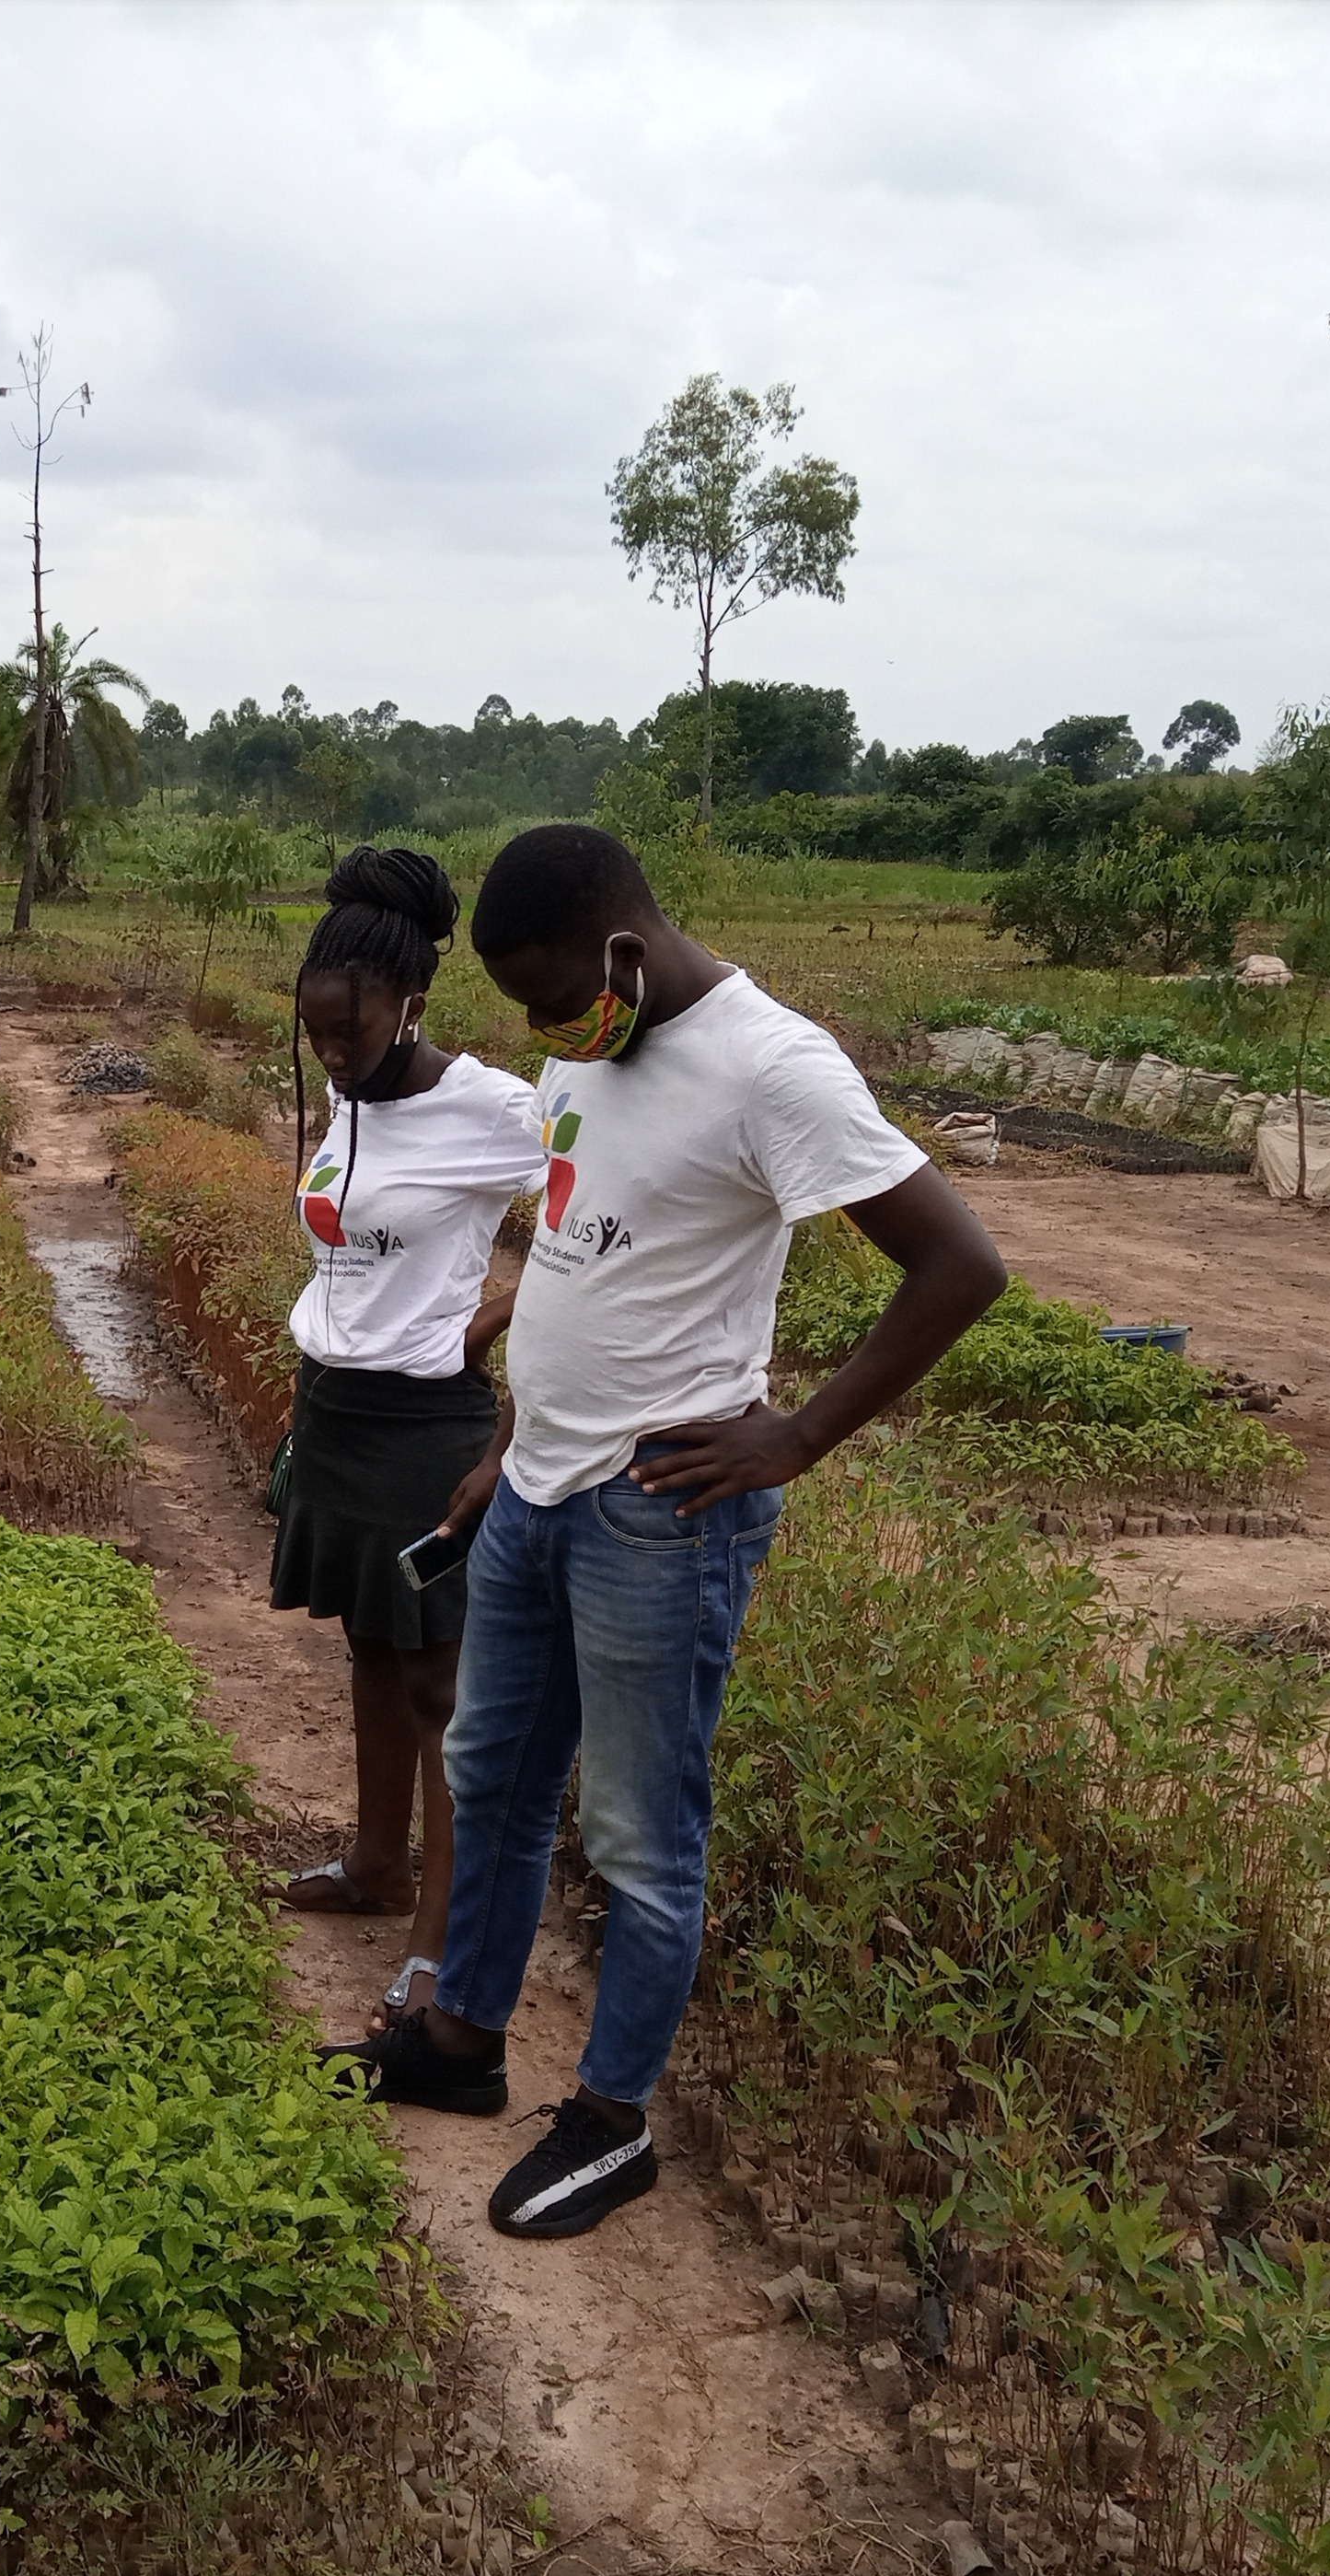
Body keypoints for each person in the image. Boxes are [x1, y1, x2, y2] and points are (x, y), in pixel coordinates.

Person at [324, 824, 1004, 2244]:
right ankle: (459, 2043)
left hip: (659, 1511)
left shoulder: (775, 1068)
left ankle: (613, 2118)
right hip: (536, 1487)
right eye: (519, 1007)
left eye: (551, 996)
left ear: (624, 953)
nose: (538, 1031)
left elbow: (961, 1265)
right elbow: (574, 1251)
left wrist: (796, 1436)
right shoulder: (593, 1047)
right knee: (497, 1780)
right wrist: (509, 1443)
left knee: (639, 1831)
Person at [269, 847, 548, 2030]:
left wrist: (486, 1321)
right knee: (370, 1650)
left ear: (412, 1005)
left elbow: (607, 1224)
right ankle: (374, 1862)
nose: (333, 1055)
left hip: (427, 1429)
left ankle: (439, 1937)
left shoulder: (489, 1107)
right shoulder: (347, 1097)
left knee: (438, 1679)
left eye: (353, 1031)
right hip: (333, 1411)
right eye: (316, 1032)